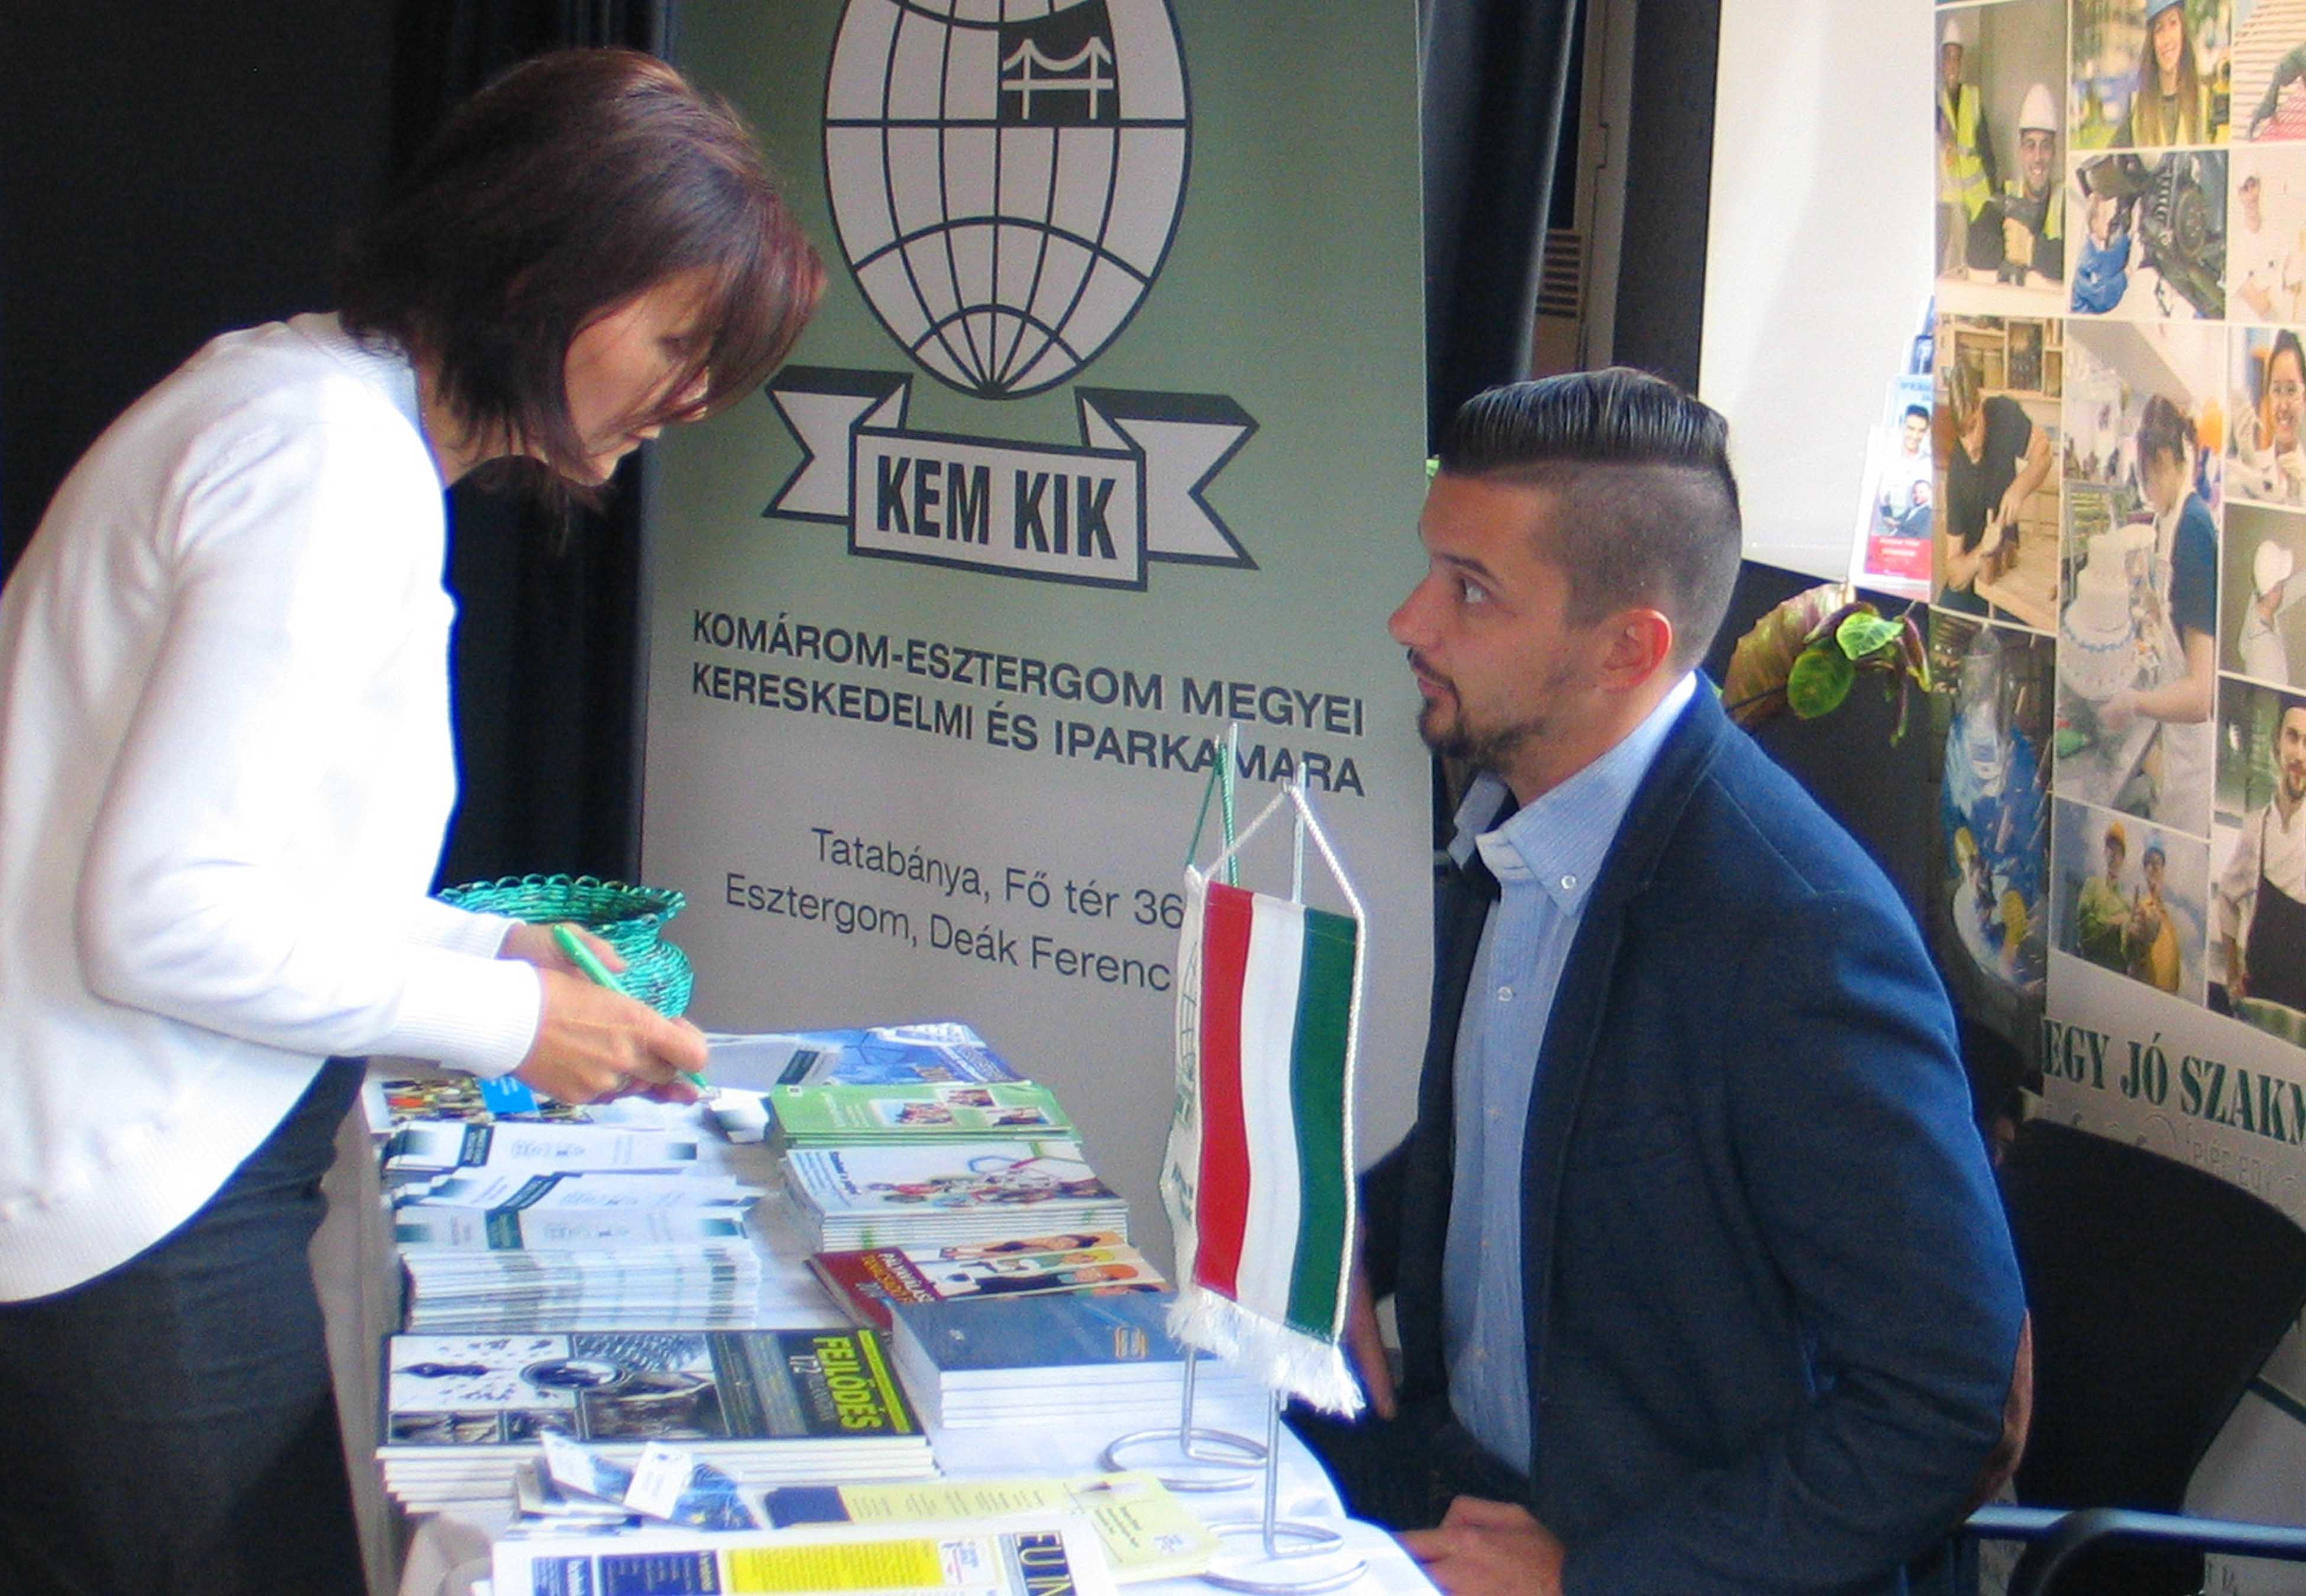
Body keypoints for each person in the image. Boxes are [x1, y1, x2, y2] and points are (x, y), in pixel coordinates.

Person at [0, 48, 823, 1595]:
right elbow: (159, 914)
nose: (693, 399)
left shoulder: (297, 408)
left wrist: (491, 946)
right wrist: (515, 1021)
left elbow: (250, 864)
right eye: (676, 340)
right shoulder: (330, 465)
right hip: (119, 1221)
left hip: (112, 1194)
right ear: (535, 273)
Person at [1301, 371, 2026, 1594]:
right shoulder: (1515, 817)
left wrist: (1594, 1579)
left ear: (1625, 647)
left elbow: (1947, 1404)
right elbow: (1523, 1137)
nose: (1410, 620)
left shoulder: (1797, 936)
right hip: (1464, 1494)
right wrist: (1346, 1226)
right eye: (1432, 567)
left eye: (1470, 589)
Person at [2101, 394, 2217, 838]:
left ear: (2163, 461)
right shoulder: (2174, 520)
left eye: (2147, 477)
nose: (2147, 492)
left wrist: (2133, 702)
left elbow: (2201, 696)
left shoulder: (2194, 529)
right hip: (2179, 746)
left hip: (2195, 757)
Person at [1939, 358, 2052, 617]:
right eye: (1962, 435)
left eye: (1973, 427)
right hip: (1974, 579)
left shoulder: (2002, 413)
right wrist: (1982, 550)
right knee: (1946, 613)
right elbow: (1955, 575)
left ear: (1981, 407)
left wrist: (2020, 487)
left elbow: (2044, 452)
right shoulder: (1958, 471)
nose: (1970, 445)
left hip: (2007, 566)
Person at [2216, 700, 2306, 1011]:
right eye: (2293, 738)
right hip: (2258, 997)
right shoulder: (2257, 827)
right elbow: (2227, 898)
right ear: (2277, 743)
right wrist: (2232, 974)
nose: (2300, 755)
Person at [1938, 16, 1998, 274]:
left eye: (1957, 58)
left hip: (1976, 198)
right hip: (1947, 198)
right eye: (1948, 58)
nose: (1953, 65)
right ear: (1941, 62)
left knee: (1971, 264)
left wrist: (1992, 192)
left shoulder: (1972, 97)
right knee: (1948, 262)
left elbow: (1986, 147)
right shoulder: (1934, 99)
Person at [1997, 83, 2065, 285]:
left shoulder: (2065, 200)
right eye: (2030, 146)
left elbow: (2070, 262)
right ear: (2021, 151)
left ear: (2054, 152)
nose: (2038, 157)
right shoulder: (2006, 193)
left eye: (2045, 146)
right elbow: (1979, 253)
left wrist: (2030, 250)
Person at [2122, 0, 2214, 147]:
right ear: (2151, 41)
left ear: (2183, 30)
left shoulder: (2206, 100)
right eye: (2159, 29)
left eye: (2173, 23)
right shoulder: (2135, 108)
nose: (2167, 39)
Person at [2236, 330, 2306, 505]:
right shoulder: (2253, 466)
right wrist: (2248, 469)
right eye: (2277, 390)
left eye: (2291, 390)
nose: (2283, 406)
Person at [2124, 839, 2185, 994]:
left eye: (2158, 863)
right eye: (2149, 863)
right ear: (2145, 870)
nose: (2154, 867)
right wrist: (2136, 942)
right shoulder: (2141, 909)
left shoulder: (2169, 921)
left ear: (2164, 870)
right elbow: (2131, 950)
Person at [2075, 819, 2135, 972]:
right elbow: (2084, 931)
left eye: (2118, 851)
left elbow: (2131, 955)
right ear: (2104, 852)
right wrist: (2112, 923)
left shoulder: (2126, 906)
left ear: (2123, 858)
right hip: (2090, 969)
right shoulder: (2093, 885)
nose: (2113, 855)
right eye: (2110, 848)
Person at [2241, 538, 2303, 684]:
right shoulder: (2265, 652)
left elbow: (2294, 589)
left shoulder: (2259, 601)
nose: (2284, 588)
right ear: (2273, 592)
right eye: (2281, 586)